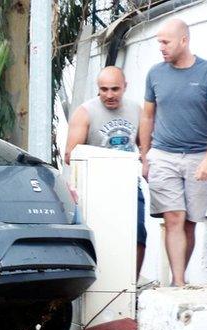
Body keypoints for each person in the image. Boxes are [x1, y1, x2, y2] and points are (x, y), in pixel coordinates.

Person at [139, 18, 207, 286]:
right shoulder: (155, 73)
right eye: (159, 42)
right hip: (163, 155)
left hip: (199, 156)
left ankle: (181, 276)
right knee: (173, 216)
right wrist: (145, 156)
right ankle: (178, 282)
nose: (161, 48)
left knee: (190, 222)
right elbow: (147, 117)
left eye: (165, 42)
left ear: (183, 41)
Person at [65, 66, 146, 278]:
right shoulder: (85, 112)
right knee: (101, 238)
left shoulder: (136, 110)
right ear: (98, 89)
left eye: (115, 89)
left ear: (125, 87)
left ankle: (131, 286)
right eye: (104, 89)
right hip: (96, 185)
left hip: (128, 183)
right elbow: (70, 155)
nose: (109, 95)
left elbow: (146, 146)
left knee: (138, 236)